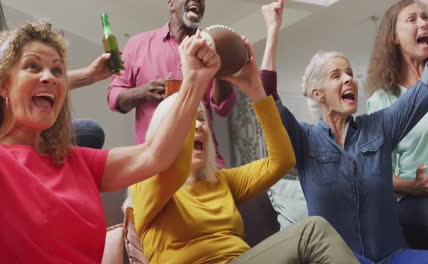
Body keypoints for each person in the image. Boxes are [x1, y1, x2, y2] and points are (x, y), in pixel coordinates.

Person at [0, 0, 220, 261]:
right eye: (33, 66)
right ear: (3, 85)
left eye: (57, 70)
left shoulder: (75, 160)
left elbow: (155, 155)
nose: (49, 77)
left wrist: (195, 80)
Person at [125, 33, 360, 263]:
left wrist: (256, 91)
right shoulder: (146, 185)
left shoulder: (222, 182)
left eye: (202, 120)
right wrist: (193, 82)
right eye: (188, 120)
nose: (197, 126)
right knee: (312, 232)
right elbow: (170, 164)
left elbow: (281, 161)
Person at [260, 1, 428, 263]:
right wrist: (272, 31)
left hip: (393, 256)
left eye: (349, 73)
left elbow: (424, 90)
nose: (349, 79)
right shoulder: (304, 139)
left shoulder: (380, 126)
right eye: (336, 75)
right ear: (318, 93)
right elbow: (266, 99)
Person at [107, 0, 237, 168]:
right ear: (170, 4)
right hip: (153, 164)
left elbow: (225, 107)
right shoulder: (138, 44)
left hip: (202, 163)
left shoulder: (211, 47)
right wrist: (143, 92)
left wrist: (221, 66)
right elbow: (114, 96)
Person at [366, 0, 428, 249]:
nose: (423, 23)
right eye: (412, 19)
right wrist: (414, 186)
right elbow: (375, 174)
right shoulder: (383, 101)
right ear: (394, 37)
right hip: (410, 203)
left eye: (425, 17)